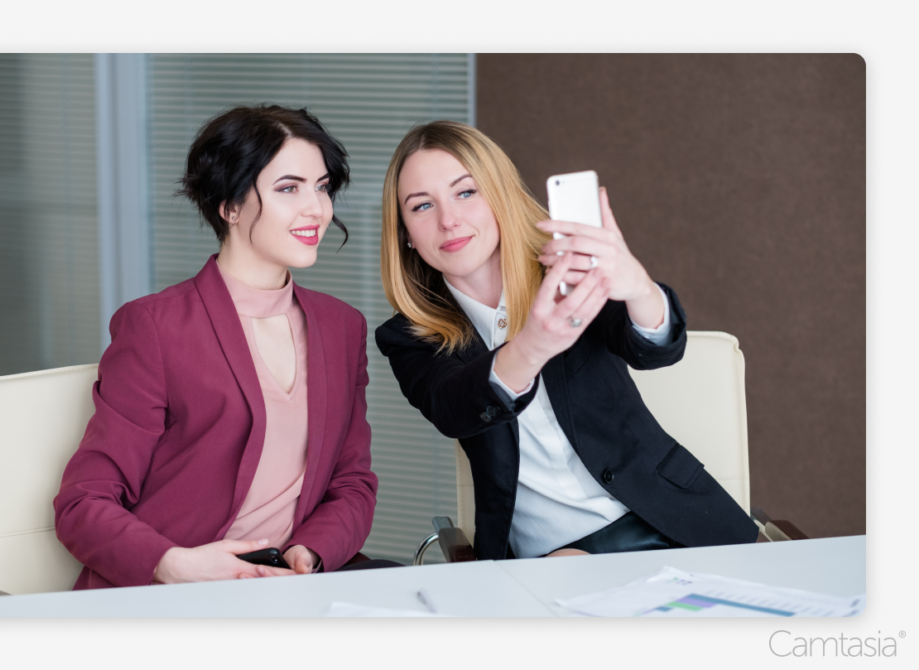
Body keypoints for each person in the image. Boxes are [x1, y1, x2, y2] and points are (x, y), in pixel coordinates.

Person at [375, 121, 758, 562]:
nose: (448, 220)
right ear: (404, 232)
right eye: (422, 206)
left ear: (499, 195)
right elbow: (454, 409)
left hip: (673, 519)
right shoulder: (406, 336)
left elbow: (655, 349)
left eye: (466, 192)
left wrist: (637, 286)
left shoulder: (563, 270)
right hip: (559, 554)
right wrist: (533, 344)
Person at [55, 105, 390, 590]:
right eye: (288, 188)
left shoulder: (342, 327)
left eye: (322, 187)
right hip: (170, 594)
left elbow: (351, 482)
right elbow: (83, 503)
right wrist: (171, 563)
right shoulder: (156, 327)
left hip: (288, 589)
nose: (316, 208)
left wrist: (308, 553)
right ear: (229, 206)